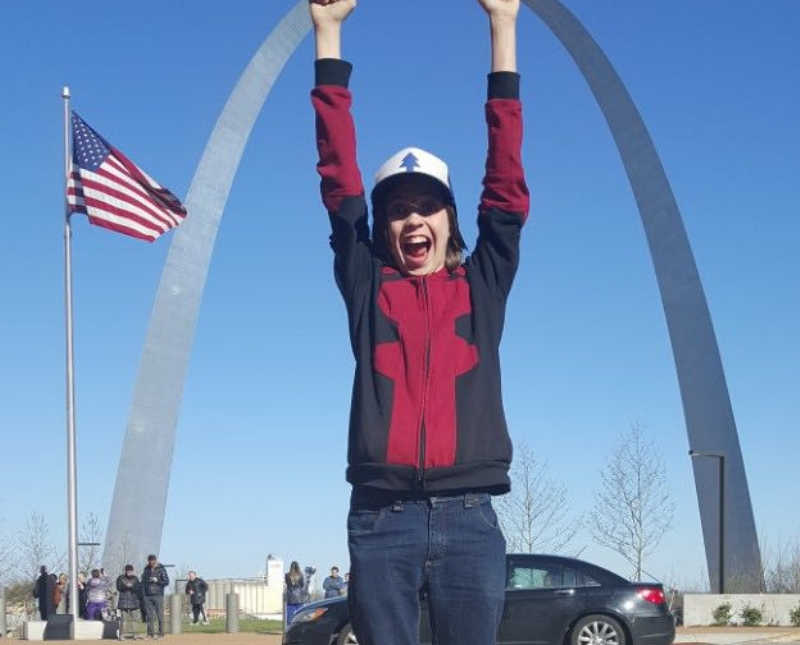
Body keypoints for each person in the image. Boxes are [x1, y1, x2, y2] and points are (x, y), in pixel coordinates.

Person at [308, 1, 528, 643]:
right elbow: (338, 182)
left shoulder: (482, 286)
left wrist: (503, 26)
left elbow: (506, 188)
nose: (413, 220)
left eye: (429, 206)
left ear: (450, 222)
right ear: (383, 227)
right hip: (382, 518)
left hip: (470, 518)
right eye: (398, 209)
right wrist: (328, 31)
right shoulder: (365, 283)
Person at [141, 554, 169, 639]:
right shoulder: (146, 569)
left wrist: (157, 581)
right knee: (149, 616)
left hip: (158, 595)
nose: (151, 563)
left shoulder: (161, 569)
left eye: (153, 561)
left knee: (159, 615)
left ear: (155, 561)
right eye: (150, 561)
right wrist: (143, 594)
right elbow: (143, 582)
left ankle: (161, 634)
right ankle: (150, 634)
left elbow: (166, 582)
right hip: (147, 595)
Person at [117, 565, 142, 637]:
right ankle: (121, 635)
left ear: (133, 571)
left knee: (135, 619)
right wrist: (125, 586)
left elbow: (138, 588)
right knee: (123, 620)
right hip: (123, 602)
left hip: (134, 601)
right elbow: (118, 587)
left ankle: (136, 634)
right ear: (125, 571)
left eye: (130, 571)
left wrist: (132, 586)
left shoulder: (136, 578)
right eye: (128, 571)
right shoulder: (120, 578)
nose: (129, 572)